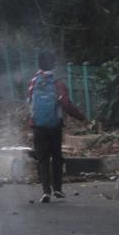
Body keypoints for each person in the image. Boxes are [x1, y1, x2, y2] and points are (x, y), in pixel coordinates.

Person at [27, 52, 86, 203]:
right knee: (57, 156)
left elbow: (28, 102)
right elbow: (66, 104)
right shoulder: (58, 83)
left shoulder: (34, 82)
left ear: (39, 65)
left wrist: (33, 120)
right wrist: (81, 117)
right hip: (55, 126)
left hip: (38, 126)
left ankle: (46, 191)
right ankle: (58, 189)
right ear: (53, 65)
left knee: (42, 159)